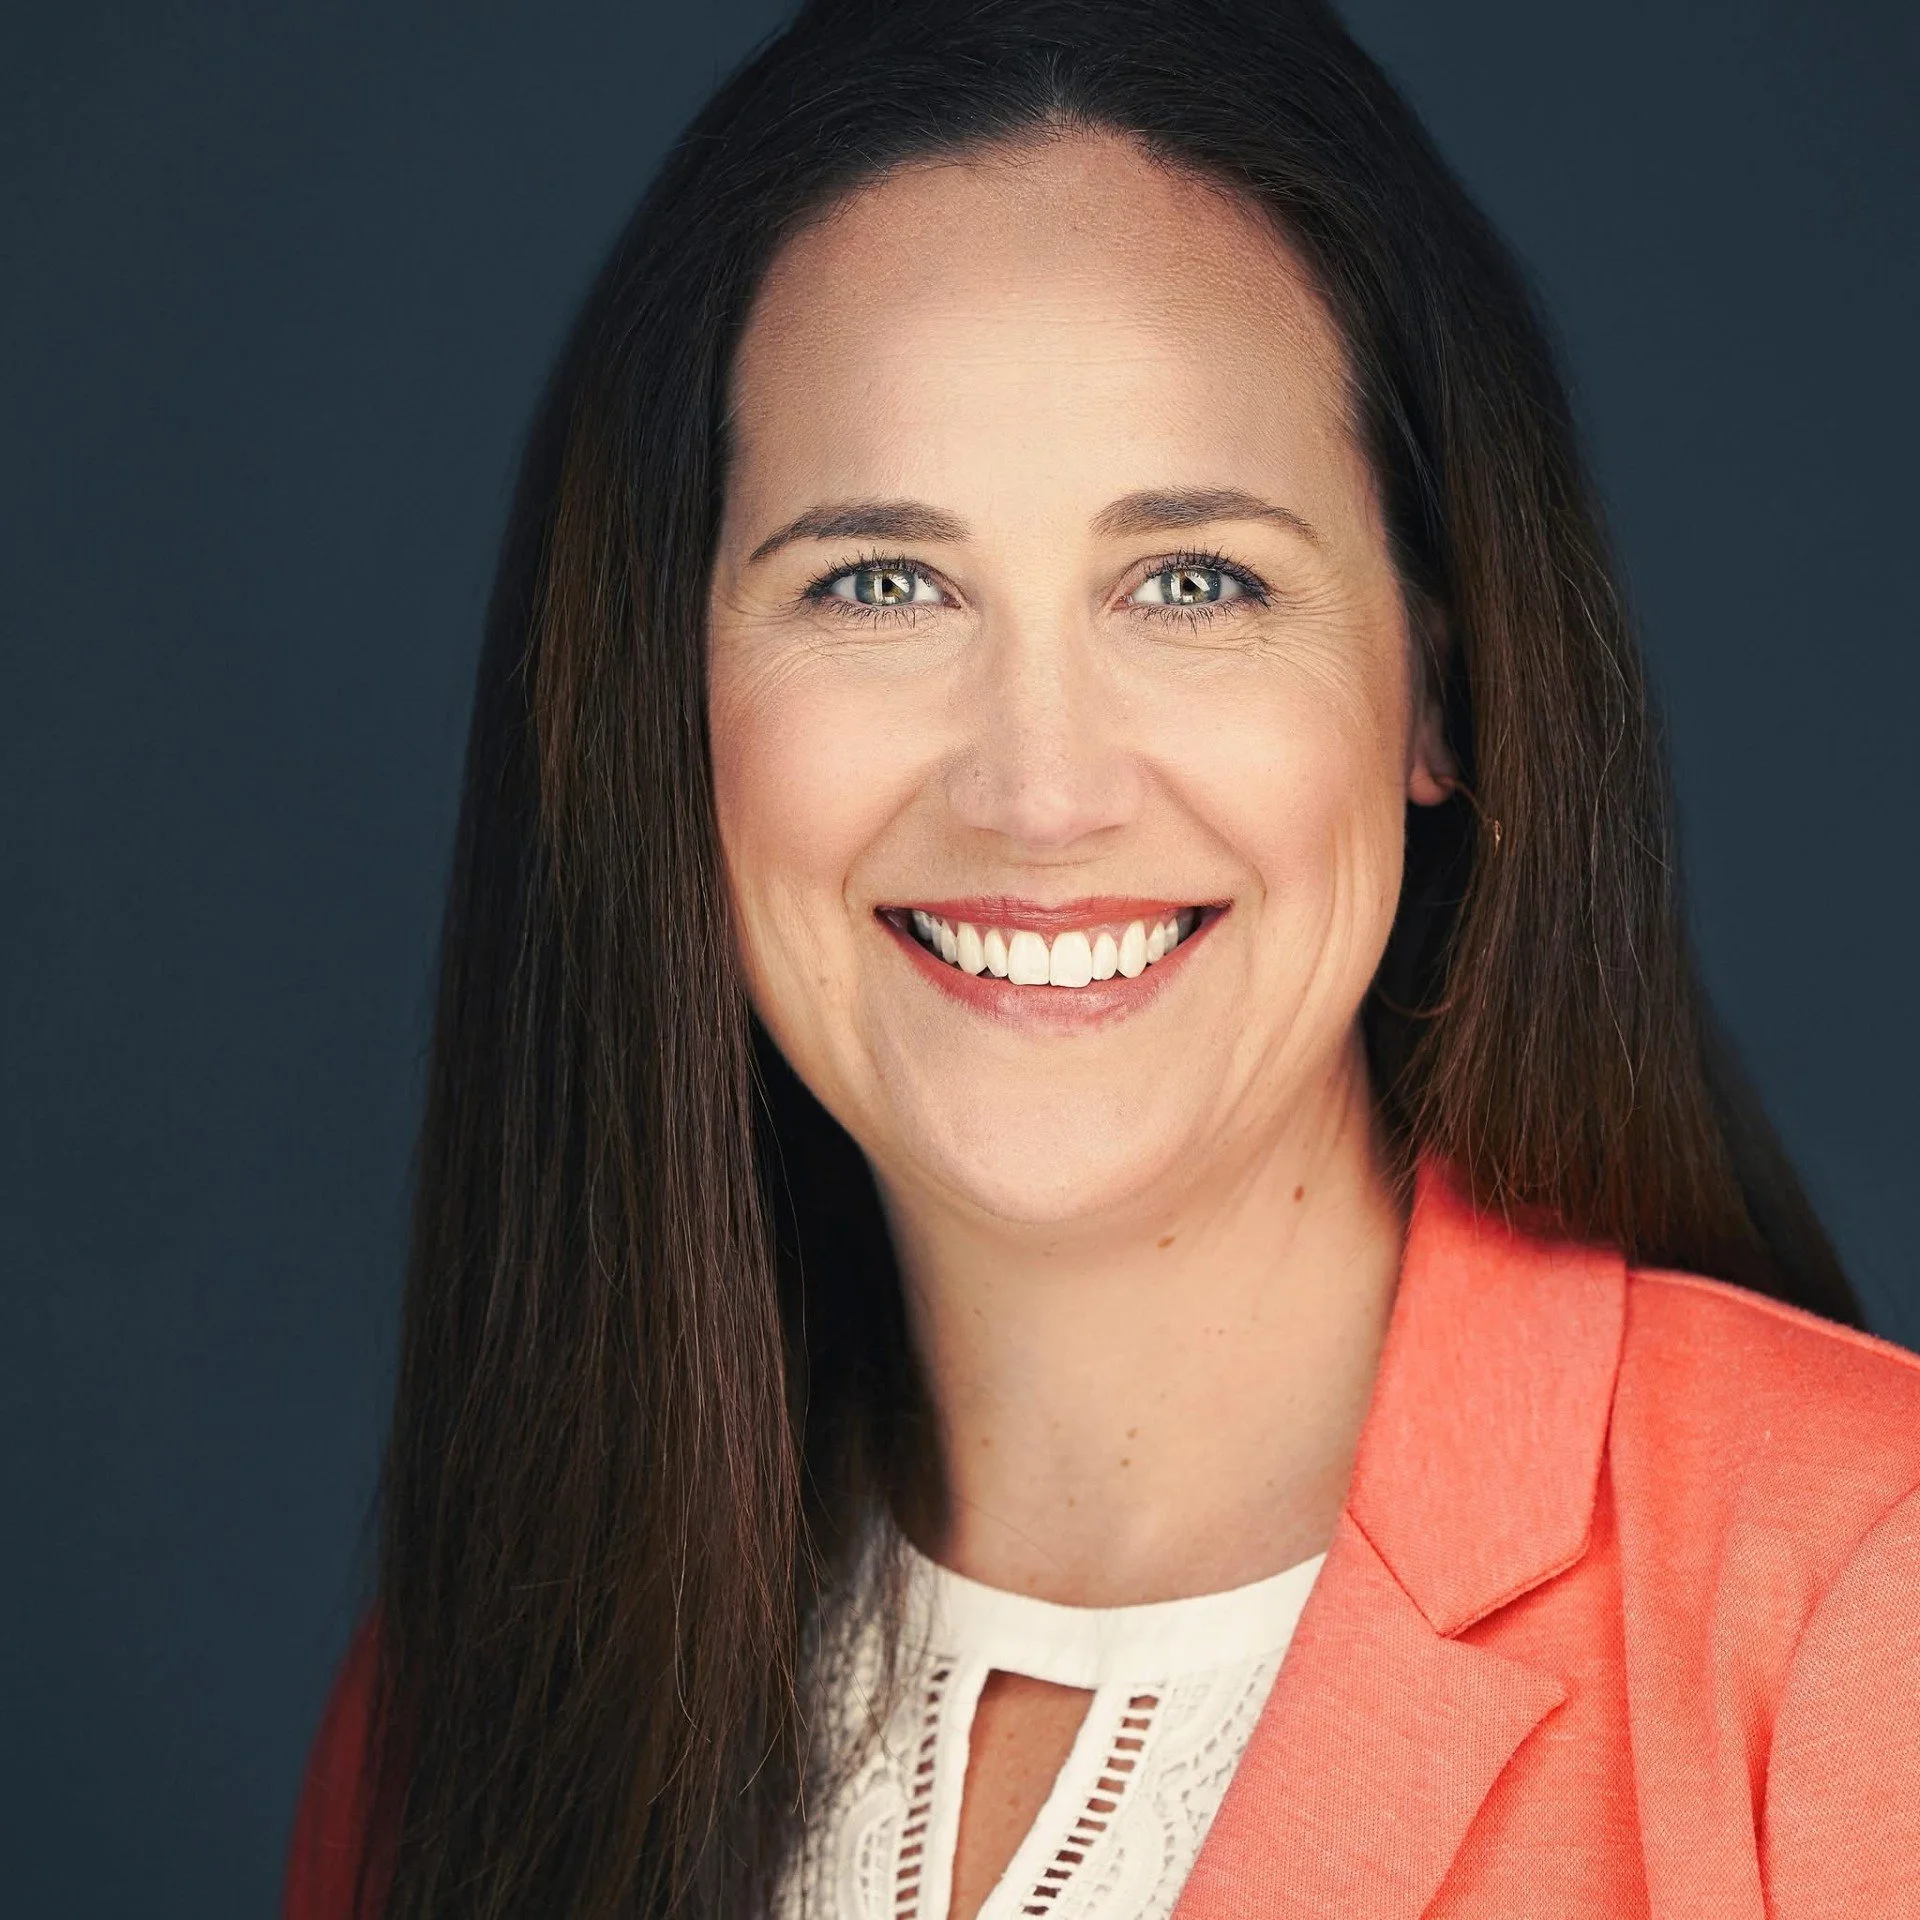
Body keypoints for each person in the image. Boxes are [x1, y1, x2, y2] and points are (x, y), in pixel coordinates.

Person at [284, 1, 1920, 1914]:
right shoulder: (484, 1690)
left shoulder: (1857, 1612)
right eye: (877, 584)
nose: (1038, 792)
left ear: (1438, 693)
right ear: (667, 701)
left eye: (1195, 582)